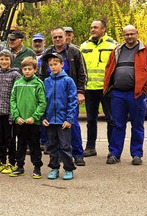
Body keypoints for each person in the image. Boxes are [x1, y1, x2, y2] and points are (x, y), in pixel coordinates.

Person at [103, 25, 147, 165]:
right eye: (127, 34)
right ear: (123, 36)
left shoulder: (146, 51)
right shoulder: (117, 51)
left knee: (137, 125)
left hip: (136, 94)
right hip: (118, 93)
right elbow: (108, 68)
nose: (129, 37)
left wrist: (146, 89)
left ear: (137, 33)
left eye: (132, 34)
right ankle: (114, 154)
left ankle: (137, 154)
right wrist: (108, 88)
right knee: (118, 125)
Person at [39, 27, 87, 166]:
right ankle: (60, 155)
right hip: (53, 95)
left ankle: (78, 154)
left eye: (60, 36)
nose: (58, 39)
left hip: (70, 94)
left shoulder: (74, 51)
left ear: (66, 37)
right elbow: (42, 75)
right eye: (55, 37)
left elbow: (82, 73)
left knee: (72, 124)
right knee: (55, 127)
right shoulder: (47, 53)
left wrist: (81, 91)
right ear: (51, 39)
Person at [80, 20, 117, 158]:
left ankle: (112, 149)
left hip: (107, 89)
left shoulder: (113, 45)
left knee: (111, 120)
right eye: (91, 27)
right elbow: (80, 68)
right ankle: (90, 147)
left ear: (103, 29)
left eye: (95, 27)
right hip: (90, 89)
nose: (92, 29)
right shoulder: (84, 46)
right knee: (91, 120)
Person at [42, 53, 77, 180]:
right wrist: (43, 117)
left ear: (62, 64)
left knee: (65, 146)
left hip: (63, 121)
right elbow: (43, 101)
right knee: (51, 146)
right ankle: (54, 167)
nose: (53, 67)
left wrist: (69, 119)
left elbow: (73, 101)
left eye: (55, 64)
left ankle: (68, 168)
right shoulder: (46, 81)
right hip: (50, 120)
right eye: (50, 65)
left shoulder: (68, 81)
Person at [9, 57, 46, 178]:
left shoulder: (38, 83)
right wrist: (16, 116)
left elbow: (42, 103)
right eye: (25, 69)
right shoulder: (18, 82)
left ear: (35, 70)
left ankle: (37, 167)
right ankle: (19, 166)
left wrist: (34, 117)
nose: (27, 71)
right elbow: (13, 100)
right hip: (20, 121)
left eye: (30, 69)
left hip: (33, 122)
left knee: (35, 145)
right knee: (20, 145)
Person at [0, 50, 21, 173]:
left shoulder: (16, 75)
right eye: (2, 59)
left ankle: (12, 162)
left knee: (10, 139)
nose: (4, 62)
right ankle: (2, 161)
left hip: (9, 114)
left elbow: (17, 97)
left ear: (11, 60)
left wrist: (13, 115)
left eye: (7, 59)